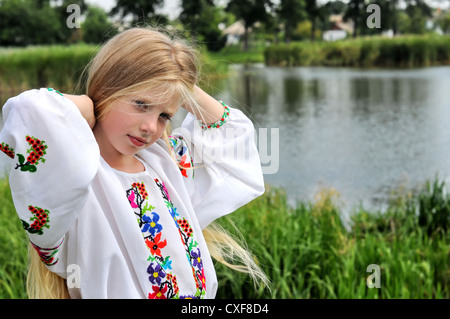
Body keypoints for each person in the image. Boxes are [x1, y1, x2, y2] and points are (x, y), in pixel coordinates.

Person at [0, 27, 267, 299]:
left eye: (164, 115)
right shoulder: (74, 177)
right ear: (107, 88)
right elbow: (25, 111)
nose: (151, 127)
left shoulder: (166, 162)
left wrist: (180, 81)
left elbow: (234, 137)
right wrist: (87, 104)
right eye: (141, 104)